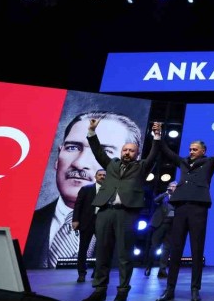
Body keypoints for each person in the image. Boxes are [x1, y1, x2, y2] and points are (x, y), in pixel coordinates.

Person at [23, 111, 142, 269]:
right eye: (72, 148)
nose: (79, 163)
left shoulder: (129, 227)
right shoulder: (27, 223)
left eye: (104, 152)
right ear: (58, 157)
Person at [80, 120, 160, 301]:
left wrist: (157, 136)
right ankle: (99, 289)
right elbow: (97, 151)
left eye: (131, 150)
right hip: (105, 211)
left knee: (124, 254)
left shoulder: (141, 166)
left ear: (137, 153)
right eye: (125, 150)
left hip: (127, 213)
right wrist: (91, 131)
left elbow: (154, 154)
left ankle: (122, 290)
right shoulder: (111, 164)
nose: (127, 153)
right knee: (102, 252)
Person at [156, 123, 214, 301]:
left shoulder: (209, 162)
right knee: (176, 249)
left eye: (195, 149)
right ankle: (169, 289)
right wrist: (158, 134)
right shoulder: (182, 162)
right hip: (180, 207)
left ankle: (195, 289)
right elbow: (166, 152)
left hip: (198, 208)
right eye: (190, 149)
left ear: (203, 151)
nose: (191, 151)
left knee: (197, 249)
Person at [71, 169, 105, 283]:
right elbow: (78, 205)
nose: (102, 177)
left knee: (102, 249)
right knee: (83, 249)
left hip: (102, 222)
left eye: (104, 175)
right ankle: (81, 273)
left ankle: (97, 271)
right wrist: (75, 220)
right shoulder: (86, 189)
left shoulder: (109, 190)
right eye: (100, 175)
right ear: (95, 177)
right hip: (87, 222)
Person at [145, 181, 177, 279]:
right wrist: (166, 193)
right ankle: (149, 267)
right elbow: (155, 200)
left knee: (166, 248)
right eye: (172, 186)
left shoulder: (178, 198)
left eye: (175, 187)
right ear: (168, 187)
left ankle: (162, 270)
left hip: (171, 226)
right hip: (159, 225)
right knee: (154, 247)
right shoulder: (163, 196)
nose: (174, 188)